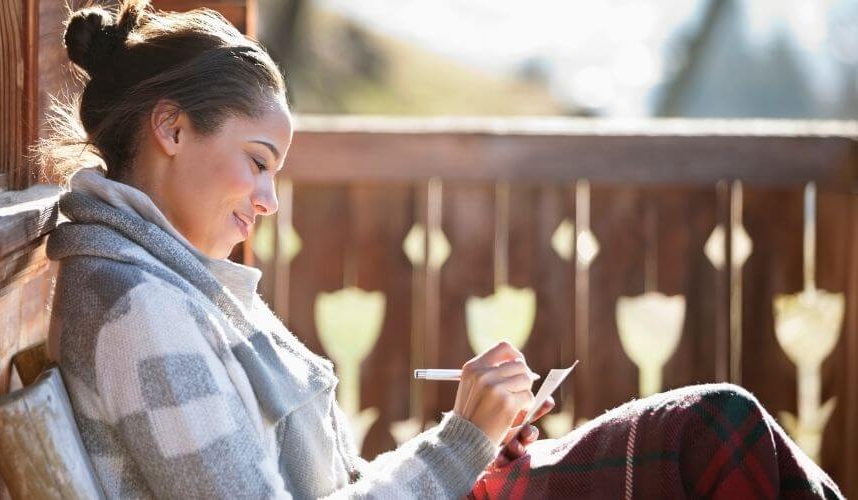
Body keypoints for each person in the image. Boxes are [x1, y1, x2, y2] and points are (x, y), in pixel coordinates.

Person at [41, 2, 842, 498]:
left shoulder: (168, 283)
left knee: (722, 436)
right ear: (172, 129)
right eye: (258, 161)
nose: (268, 201)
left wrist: (480, 436)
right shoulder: (140, 312)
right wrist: (463, 442)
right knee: (717, 435)